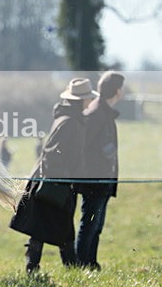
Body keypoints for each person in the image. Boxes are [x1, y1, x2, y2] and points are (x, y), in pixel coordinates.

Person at [10, 77, 97, 273]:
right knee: (56, 227)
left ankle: (43, 267)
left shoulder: (71, 119)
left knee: (47, 228)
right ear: (80, 100)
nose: (90, 101)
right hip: (52, 184)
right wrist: (64, 178)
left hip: (53, 183)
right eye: (88, 98)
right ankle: (69, 267)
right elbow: (52, 153)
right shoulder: (70, 122)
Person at [75, 72, 125, 271]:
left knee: (97, 224)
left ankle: (91, 262)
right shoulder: (96, 113)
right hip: (93, 179)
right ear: (118, 91)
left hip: (101, 180)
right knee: (89, 223)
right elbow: (84, 145)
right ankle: (82, 264)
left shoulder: (103, 111)